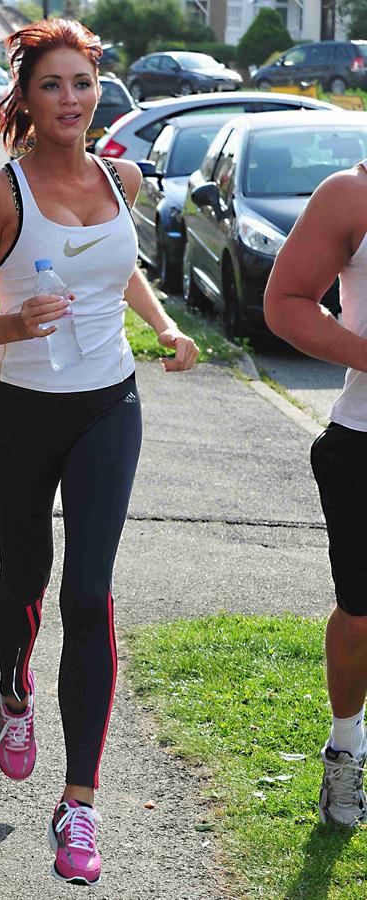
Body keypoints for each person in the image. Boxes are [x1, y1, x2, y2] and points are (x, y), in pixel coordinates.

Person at [0, 18, 199, 883]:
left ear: (99, 90)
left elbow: (115, 264)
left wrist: (161, 323)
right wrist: (11, 323)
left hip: (106, 407)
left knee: (89, 594)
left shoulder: (119, 177)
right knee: (26, 581)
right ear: (27, 95)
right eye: (51, 84)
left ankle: (78, 805)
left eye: (82, 83)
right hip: (14, 412)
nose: (70, 99)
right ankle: (15, 690)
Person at [264, 158, 367, 827]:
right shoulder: (350, 195)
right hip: (362, 440)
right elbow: (286, 303)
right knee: (361, 618)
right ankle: (345, 751)